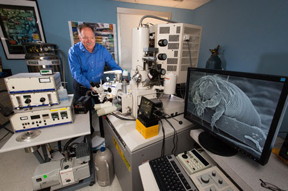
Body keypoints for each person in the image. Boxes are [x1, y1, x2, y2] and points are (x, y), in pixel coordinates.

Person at [68, 23, 122, 102]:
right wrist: (90, 87)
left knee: (102, 108)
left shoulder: (102, 50)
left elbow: (114, 66)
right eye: (85, 38)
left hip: (99, 85)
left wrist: (123, 77)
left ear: (95, 37)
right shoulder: (74, 52)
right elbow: (76, 73)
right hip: (82, 87)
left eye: (92, 37)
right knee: (83, 111)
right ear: (79, 37)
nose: (89, 41)